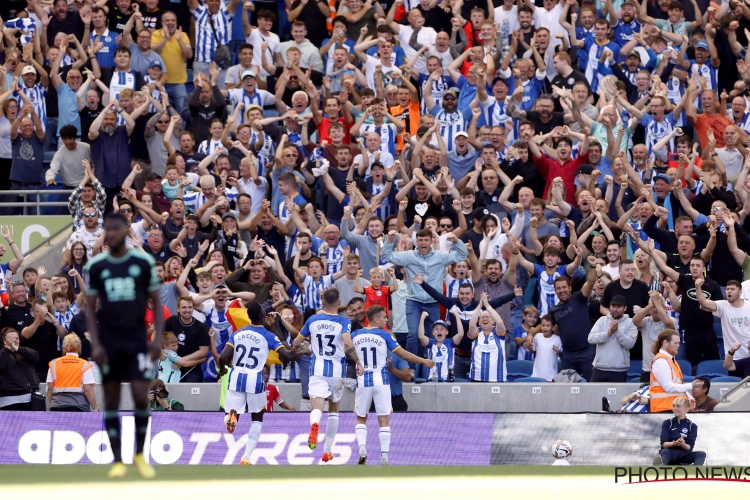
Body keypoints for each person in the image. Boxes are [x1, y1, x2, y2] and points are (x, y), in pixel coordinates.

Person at [85, 213, 164, 479]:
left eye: (117, 228)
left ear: (126, 231)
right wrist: (95, 344)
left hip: (137, 341)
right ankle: (118, 460)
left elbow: (157, 302)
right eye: (108, 229)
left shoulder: (142, 262)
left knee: (142, 396)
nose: (112, 232)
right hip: (108, 343)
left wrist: (157, 339)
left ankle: (139, 454)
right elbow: (89, 308)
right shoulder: (96, 266)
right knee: (112, 400)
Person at [219, 302, 303, 464]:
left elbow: (223, 357)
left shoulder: (238, 333)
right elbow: (287, 356)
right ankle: (247, 457)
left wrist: (222, 370)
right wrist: (304, 351)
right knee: (257, 419)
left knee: (230, 412)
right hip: (255, 381)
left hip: (236, 378)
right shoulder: (268, 336)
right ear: (262, 315)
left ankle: (231, 417)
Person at [353, 305, 435, 467]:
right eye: (384, 317)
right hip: (382, 381)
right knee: (383, 420)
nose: (386, 320)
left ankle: (362, 449)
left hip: (363, 381)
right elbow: (403, 354)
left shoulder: (355, 335)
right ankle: (384, 457)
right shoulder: (384, 336)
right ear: (376, 319)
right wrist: (423, 360)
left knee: (361, 418)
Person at [293, 288, 361, 463]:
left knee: (317, 407)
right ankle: (327, 451)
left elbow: (296, 342)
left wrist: (311, 342)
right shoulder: (344, 322)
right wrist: (359, 363)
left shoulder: (312, 320)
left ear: (322, 302)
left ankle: (315, 425)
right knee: (333, 411)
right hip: (336, 371)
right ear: (339, 303)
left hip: (317, 369)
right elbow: (347, 342)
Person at [587, 295, 638, 382]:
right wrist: (608, 334)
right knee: (594, 395)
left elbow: (630, 344)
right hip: (599, 368)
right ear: (610, 306)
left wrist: (617, 332)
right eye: (613, 306)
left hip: (619, 370)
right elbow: (591, 338)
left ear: (625, 308)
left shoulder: (631, 322)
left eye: (619, 306)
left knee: (618, 396)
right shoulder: (602, 320)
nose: (615, 309)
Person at [46, 333, 98, 412]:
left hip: (57, 406)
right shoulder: (85, 365)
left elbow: (50, 389)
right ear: (80, 347)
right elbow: (88, 390)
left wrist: (52, 405)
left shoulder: (53, 363)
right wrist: (95, 409)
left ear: (63, 348)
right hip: (79, 407)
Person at [650, 329, 699, 413]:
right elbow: (668, 387)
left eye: (679, 343)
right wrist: (690, 385)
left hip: (671, 408)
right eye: (675, 343)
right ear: (666, 343)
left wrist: (688, 396)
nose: (678, 346)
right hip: (664, 409)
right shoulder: (662, 361)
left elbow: (677, 384)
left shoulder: (670, 360)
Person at [653, 396, 706, 466]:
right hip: (669, 453)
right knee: (665, 452)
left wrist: (682, 444)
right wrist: (674, 443)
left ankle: (696, 471)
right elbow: (664, 444)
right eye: (674, 406)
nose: (675, 408)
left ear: (687, 409)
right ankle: (661, 466)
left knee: (701, 454)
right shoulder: (667, 423)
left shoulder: (692, 426)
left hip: (683, 455)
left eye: (678, 406)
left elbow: (689, 448)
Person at [0, 328, 39, 411]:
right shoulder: (2, 354)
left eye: (16, 338)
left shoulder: (24, 351)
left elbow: (35, 357)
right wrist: (7, 348)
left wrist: (18, 349)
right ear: (4, 341)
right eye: (11, 338)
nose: (14, 340)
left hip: (29, 397)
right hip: (9, 399)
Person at [531, 315, 562, 381]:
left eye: (548, 326)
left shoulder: (557, 339)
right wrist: (528, 346)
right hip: (536, 375)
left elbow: (561, 355)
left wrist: (558, 351)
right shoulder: (537, 337)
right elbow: (534, 351)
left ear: (553, 328)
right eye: (543, 325)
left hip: (551, 376)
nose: (545, 328)